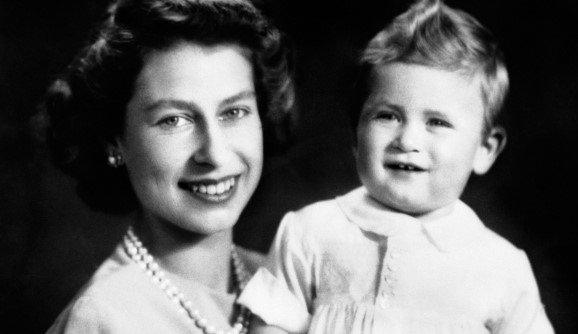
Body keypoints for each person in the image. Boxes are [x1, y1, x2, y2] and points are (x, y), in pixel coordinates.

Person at [237, 0, 554, 333]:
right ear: (357, 135)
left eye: (437, 122)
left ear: (485, 149)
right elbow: (271, 326)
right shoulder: (310, 232)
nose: (407, 140)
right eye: (387, 116)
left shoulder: (501, 266)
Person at [41, 0, 294, 332]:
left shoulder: (285, 283)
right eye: (174, 120)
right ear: (114, 140)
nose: (215, 154)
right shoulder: (102, 320)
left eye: (233, 112)